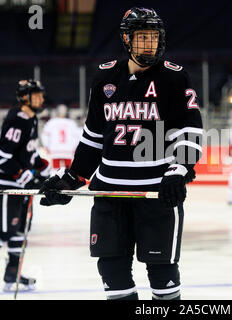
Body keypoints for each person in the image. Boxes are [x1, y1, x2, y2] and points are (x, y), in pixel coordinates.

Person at [39, 7, 203, 300]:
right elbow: (93, 136)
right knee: (112, 272)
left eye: (154, 37)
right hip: (110, 192)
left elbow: (190, 130)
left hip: (155, 193)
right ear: (127, 40)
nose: (149, 44)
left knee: (162, 273)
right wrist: (72, 178)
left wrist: (180, 169)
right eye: (142, 37)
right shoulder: (104, 77)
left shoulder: (174, 78)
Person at [0, 79, 51, 291]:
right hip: (7, 186)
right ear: (24, 97)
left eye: (40, 94)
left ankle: (12, 276)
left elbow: (28, 152)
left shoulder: (32, 119)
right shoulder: (17, 119)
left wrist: (45, 169)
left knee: (20, 232)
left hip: (21, 188)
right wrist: (25, 177)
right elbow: (3, 156)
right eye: (35, 95)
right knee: (3, 233)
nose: (40, 98)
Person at [41, 104, 81, 173]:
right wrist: (75, 148)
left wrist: (46, 146)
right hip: (68, 150)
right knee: (68, 171)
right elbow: (78, 136)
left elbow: (44, 135)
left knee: (55, 170)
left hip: (55, 150)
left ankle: (54, 183)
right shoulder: (71, 123)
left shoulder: (51, 122)